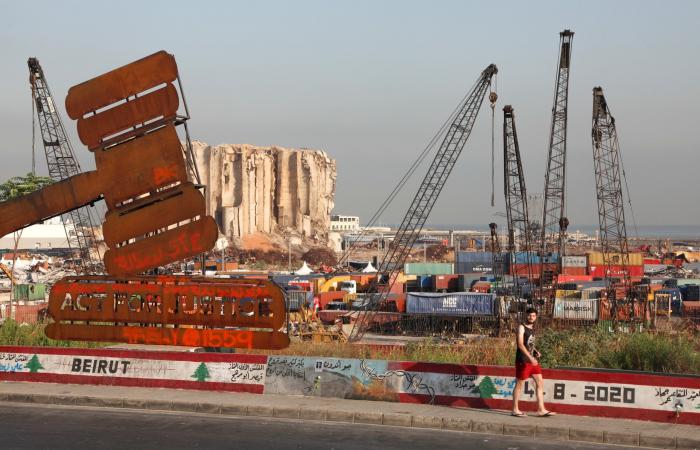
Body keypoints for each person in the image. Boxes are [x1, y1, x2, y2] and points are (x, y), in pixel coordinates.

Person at [511, 307, 556, 417]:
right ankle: (515, 409)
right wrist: (530, 358)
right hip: (523, 360)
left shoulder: (532, 328)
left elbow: (529, 344)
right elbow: (520, 344)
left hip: (532, 361)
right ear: (525, 315)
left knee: (540, 382)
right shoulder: (521, 327)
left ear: (536, 317)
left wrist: (535, 351)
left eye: (533, 316)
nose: (531, 317)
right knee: (519, 384)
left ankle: (541, 409)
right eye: (529, 315)